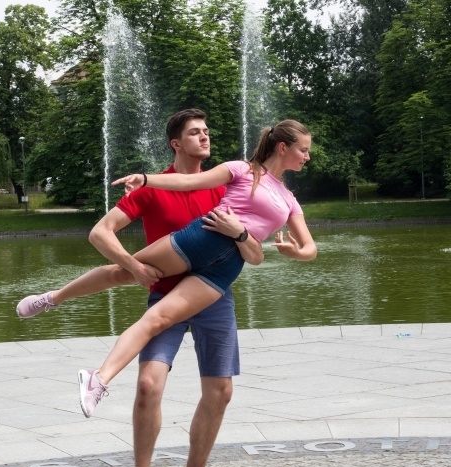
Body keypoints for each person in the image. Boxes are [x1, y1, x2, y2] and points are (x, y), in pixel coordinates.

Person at [17, 108, 263, 467]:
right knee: (148, 385)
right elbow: (100, 232)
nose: (205, 138)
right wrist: (134, 266)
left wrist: (247, 234)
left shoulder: (225, 190)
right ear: (176, 143)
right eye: (195, 133)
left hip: (213, 299)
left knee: (220, 391)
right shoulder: (152, 189)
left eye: (207, 132)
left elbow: (251, 249)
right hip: (164, 298)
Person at [71, 119, 316, 421]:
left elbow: (310, 248)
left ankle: (95, 373)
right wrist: (147, 180)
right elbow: (187, 182)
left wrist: (296, 252)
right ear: (283, 147)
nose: (307, 156)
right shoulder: (242, 170)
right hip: (203, 238)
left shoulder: (290, 199)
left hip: (225, 269)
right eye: (303, 150)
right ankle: (98, 377)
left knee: (159, 315)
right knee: (130, 278)